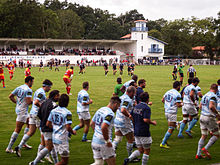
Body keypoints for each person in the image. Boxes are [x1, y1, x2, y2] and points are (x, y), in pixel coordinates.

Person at [15, 79, 53, 157]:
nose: (50, 89)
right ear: (46, 86)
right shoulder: (41, 92)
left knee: (31, 131)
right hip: (37, 115)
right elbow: (36, 102)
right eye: (50, 87)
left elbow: (38, 100)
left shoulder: (39, 90)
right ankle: (45, 154)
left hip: (32, 113)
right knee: (44, 133)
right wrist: (43, 108)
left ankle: (19, 146)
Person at [123, 92, 157, 165]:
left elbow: (130, 116)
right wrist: (152, 122)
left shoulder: (136, 106)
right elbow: (146, 120)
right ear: (148, 99)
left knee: (140, 150)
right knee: (146, 150)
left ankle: (128, 159)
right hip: (144, 131)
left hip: (136, 131)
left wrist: (135, 122)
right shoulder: (147, 108)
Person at [29, 90, 60, 165]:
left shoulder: (44, 102)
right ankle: (34, 162)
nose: (59, 97)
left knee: (51, 147)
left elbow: (39, 114)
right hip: (49, 128)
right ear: (55, 96)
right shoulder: (54, 105)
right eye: (58, 95)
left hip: (43, 126)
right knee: (49, 147)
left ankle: (56, 162)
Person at [5, 76, 34, 153]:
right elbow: (28, 102)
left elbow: (10, 96)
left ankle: (24, 143)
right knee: (18, 129)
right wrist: (35, 101)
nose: (33, 83)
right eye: (32, 82)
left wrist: (17, 103)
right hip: (23, 112)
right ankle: (9, 148)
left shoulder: (19, 87)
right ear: (29, 81)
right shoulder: (28, 90)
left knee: (29, 123)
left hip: (19, 110)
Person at [90, 96, 121, 165]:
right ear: (115, 104)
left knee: (99, 163)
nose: (118, 108)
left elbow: (92, 123)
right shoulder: (110, 114)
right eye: (118, 106)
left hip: (95, 141)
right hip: (104, 143)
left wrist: (97, 133)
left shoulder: (100, 109)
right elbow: (104, 127)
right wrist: (107, 141)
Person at [46, 94, 76, 165]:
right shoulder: (67, 113)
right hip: (62, 139)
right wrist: (73, 132)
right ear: (67, 102)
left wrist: (55, 128)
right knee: (64, 161)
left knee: (61, 159)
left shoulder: (53, 110)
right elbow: (68, 127)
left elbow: (48, 124)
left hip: (54, 137)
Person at [195, 84, 220, 159]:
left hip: (202, 117)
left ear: (210, 88)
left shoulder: (205, 95)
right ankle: (205, 149)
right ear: (216, 90)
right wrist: (217, 114)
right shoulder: (213, 96)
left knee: (204, 135)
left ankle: (198, 154)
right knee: (216, 135)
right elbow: (211, 106)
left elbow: (200, 106)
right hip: (209, 117)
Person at [113, 86, 136, 157]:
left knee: (118, 138)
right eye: (134, 93)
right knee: (131, 139)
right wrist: (129, 116)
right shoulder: (127, 99)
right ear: (131, 92)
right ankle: (130, 157)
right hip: (124, 122)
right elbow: (123, 109)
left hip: (117, 120)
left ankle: (110, 153)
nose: (135, 95)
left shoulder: (121, 97)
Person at [160, 81, 182, 149]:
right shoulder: (178, 94)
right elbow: (178, 105)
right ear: (178, 86)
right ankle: (163, 143)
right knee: (171, 128)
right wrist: (182, 104)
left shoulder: (168, 92)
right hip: (172, 112)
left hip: (166, 111)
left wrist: (167, 104)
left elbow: (162, 100)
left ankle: (165, 140)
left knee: (170, 126)